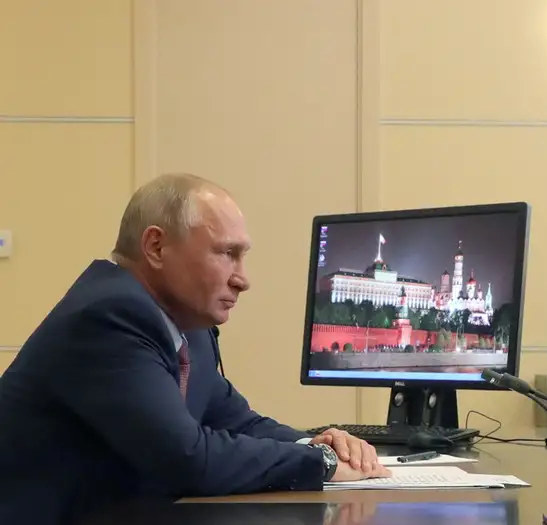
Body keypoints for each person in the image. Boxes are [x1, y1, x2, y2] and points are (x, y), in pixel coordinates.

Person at [0, 174, 390, 524]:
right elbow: (186, 458)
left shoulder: (186, 325)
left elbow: (237, 421)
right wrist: (320, 463)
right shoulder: (108, 317)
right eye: (227, 254)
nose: (243, 279)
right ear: (156, 247)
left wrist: (317, 443)